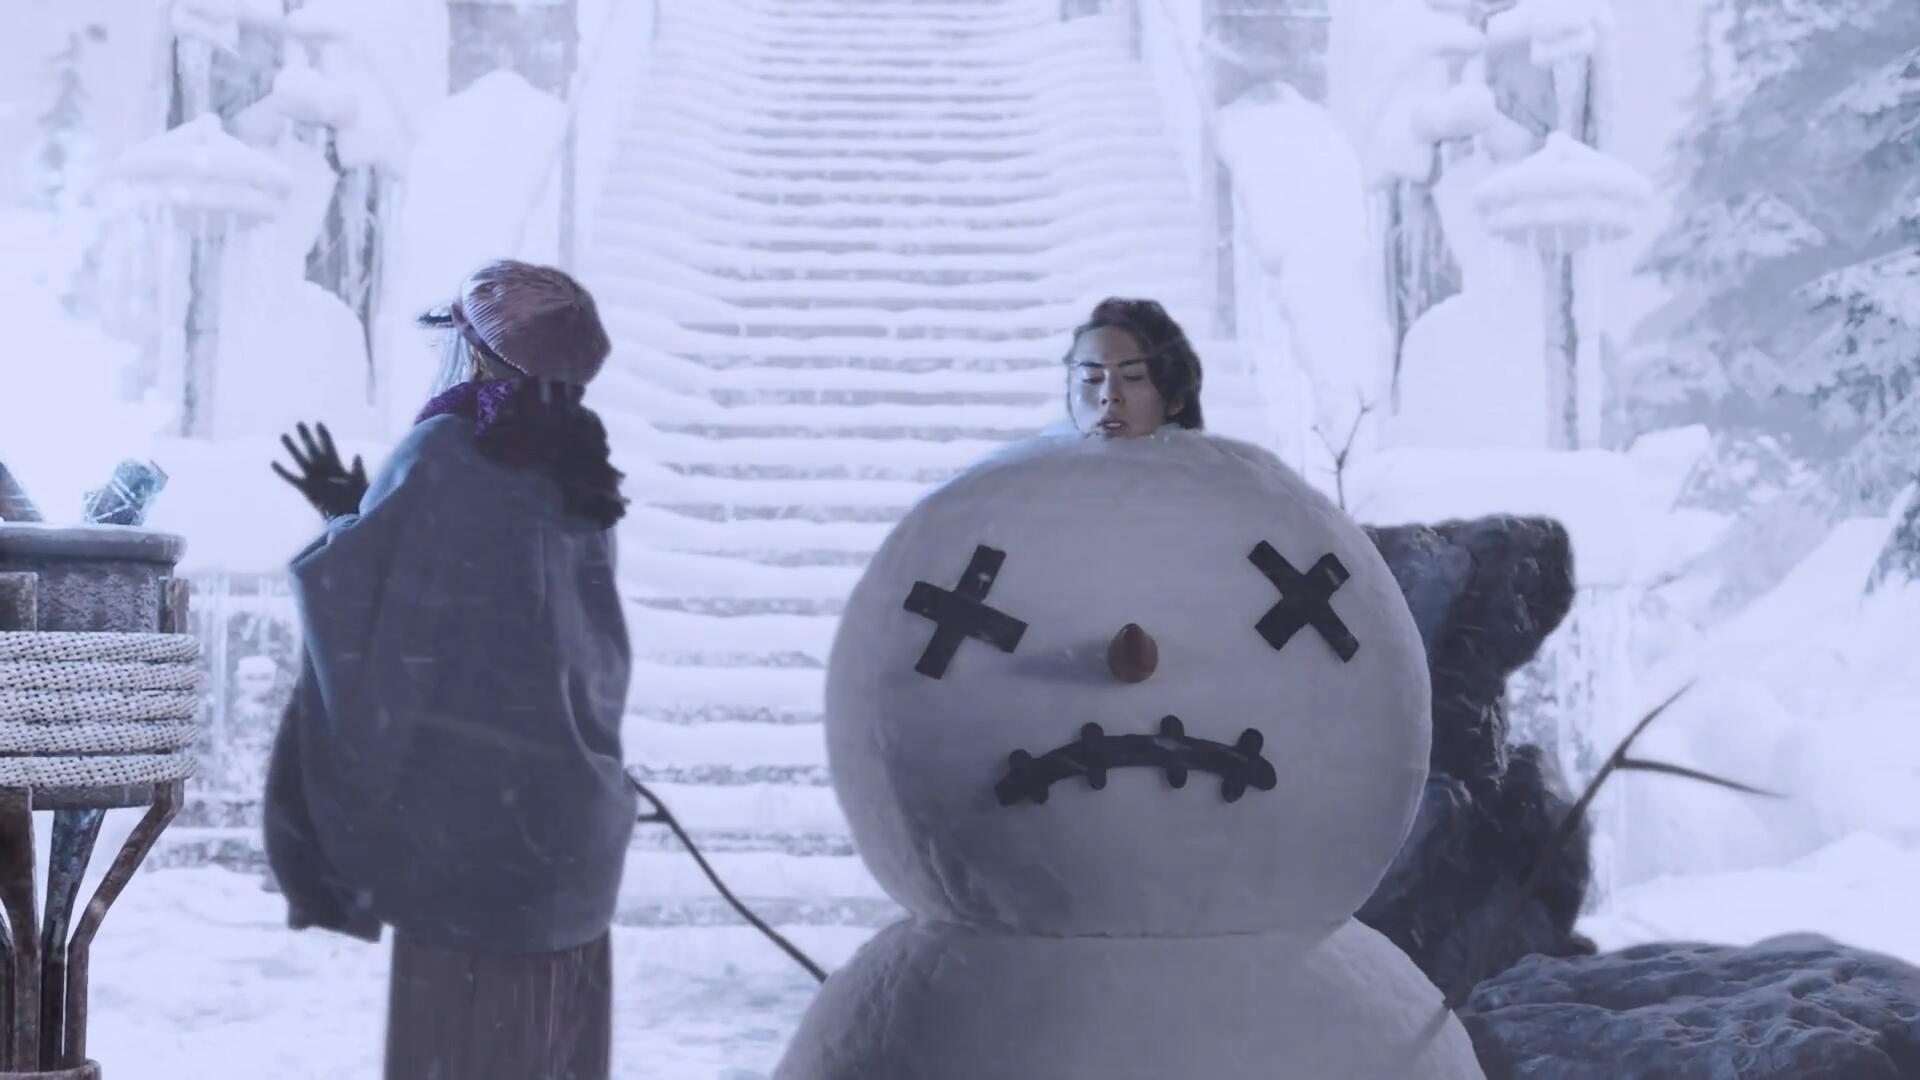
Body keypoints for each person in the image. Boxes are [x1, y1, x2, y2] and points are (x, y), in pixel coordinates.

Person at [263, 259, 635, 1080]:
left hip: (476, 846)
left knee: (464, 1054)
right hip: (571, 832)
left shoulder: (445, 451)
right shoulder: (581, 464)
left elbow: (382, 627)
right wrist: (370, 522)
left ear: (478, 354)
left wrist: (349, 522)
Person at [1063, 297, 1205, 438]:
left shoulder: (1204, 453)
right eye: (1091, 377)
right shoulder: (1053, 450)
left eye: (1132, 376)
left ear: (1176, 398)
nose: (1110, 395)